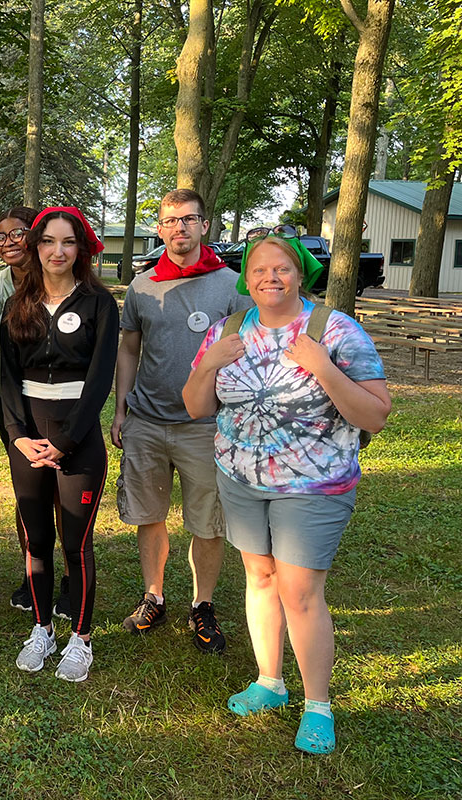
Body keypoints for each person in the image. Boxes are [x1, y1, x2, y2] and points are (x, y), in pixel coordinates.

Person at [183, 232, 389, 754]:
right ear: (245, 278)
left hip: (313, 485)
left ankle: (318, 705)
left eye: (281, 269)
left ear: (301, 275)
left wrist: (321, 366)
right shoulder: (229, 329)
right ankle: (269, 682)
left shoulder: (334, 330)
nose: (269, 278)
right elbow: (195, 407)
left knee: (299, 591)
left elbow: (375, 415)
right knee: (260, 576)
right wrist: (209, 363)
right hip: (241, 479)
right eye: (259, 270)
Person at [112, 188, 252, 654]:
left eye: (189, 219)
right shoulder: (142, 286)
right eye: (171, 220)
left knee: (206, 522)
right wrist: (121, 409)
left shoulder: (232, 286)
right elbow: (129, 348)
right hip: (147, 422)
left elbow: (247, 357)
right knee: (148, 515)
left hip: (205, 426)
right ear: (160, 227)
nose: (180, 228)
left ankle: (203, 605)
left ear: (204, 226)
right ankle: (154, 595)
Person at [0, 207, 118, 681]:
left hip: (78, 440)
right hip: (28, 440)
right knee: (36, 541)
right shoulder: (17, 304)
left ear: (81, 249)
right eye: (48, 242)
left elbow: (100, 379)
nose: (57, 251)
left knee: (76, 542)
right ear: (35, 247)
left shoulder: (98, 303)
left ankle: (81, 638)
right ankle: (42, 628)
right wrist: (18, 437)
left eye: (68, 242)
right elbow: (7, 378)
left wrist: (66, 441)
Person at [0, 205, 70, 617]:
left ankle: (71, 579)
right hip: (16, 410)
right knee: (29, 495)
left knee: (65, 492)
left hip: (63, 409)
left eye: (19, 233)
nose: (10, 241)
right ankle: (35, 575)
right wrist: (14, 408)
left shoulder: (62, 282)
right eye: (1, 236)